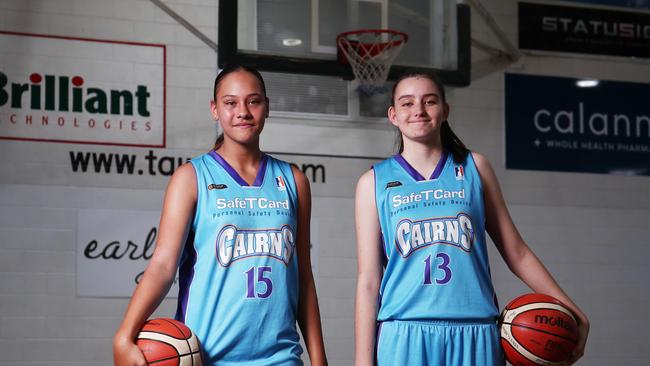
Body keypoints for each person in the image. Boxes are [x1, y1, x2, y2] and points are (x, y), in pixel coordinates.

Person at [354, 72, 589, 365]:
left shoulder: (475, 168)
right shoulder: (373, 182)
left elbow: (516, 252)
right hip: (404, 331)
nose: (418, 110)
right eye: (407, 103)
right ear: (393, 115)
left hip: (475, 330)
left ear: (445, 110)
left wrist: (569, 308)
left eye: (429, 101)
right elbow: (368, 280)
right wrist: (362, 362)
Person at [113, 64, 328, 366]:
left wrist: (319, 360)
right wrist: (125, 333)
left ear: (266, 107)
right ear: (215, 109)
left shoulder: (293, 181)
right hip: (207, 357)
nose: (242, 111)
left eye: (253, 101)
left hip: (281, 358)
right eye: (230, 102)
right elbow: (162, 266)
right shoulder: (191, 177)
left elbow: (303, 278)